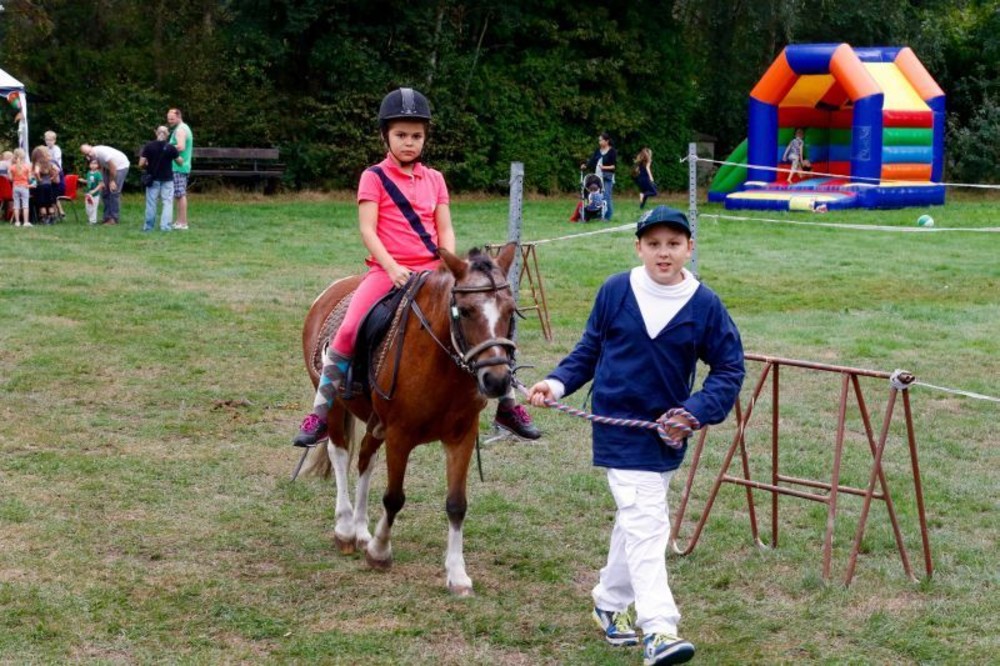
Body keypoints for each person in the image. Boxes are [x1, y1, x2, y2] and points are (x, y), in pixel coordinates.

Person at [527, 205, 745, 666]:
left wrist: (693, 413)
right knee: (648, 521)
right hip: (617, 426)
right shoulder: (615, 290)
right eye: (653, 244)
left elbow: (729, 369)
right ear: (638, 247)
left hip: (667, 434)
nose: (663, 253)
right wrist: (556, 383)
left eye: (673, 244)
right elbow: (589, 350)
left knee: (637, 518)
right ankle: (660, 630)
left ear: (689, 247)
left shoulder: (705, 304)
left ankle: (609, 602)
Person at [293, 87, 539, 448]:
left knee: (487, 318)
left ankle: (507, 404)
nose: (409, 142)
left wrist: (448, 262)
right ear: (385, 136)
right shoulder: (373, 177)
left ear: (425, 138)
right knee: (347, 330)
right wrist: (391, 267)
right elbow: (368, 229)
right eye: (401, 135)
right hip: (387, 271)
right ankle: (321, 410)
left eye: (416, 136)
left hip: (433, 270)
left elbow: (445, 227)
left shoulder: (435, 179)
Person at [138, 125, 180, 232]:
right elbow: (180, 162)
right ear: (167, 134)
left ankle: (148, 227)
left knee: (151, 202)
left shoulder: (149, 146)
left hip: (153, 178)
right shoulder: (171, 147)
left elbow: (141, 164)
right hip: (167, 178)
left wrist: (147, 164)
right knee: (167, 202)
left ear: (156, 133)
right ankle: (165, 227)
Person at [80, 144, 129, 225]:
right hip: (108, 167)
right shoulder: (92, 156)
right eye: (86, 154)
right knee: (105, 191)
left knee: (114, 191)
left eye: (89, 152)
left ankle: (113, 219)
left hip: (120, 166)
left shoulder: (102, 154)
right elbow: (100, 167)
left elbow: (113, 168)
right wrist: (101, 180)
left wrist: (112, 181)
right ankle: (106, 217)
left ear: (91, 147)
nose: (89, 155)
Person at [167, 108, 193, 230]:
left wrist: (166, 147)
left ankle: (183, 223)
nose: (170, 121)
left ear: (178, 117)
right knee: (178, 195)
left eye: (172, 119)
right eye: (168, 119)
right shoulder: (183, 128)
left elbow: (181, 147)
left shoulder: (180, 130)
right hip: (181, 166)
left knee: (180, 194)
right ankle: (179, 221)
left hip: (179, 167)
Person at [582, 132, 617, 220]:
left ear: (606, 141)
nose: (599, 142)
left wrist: (603, 167)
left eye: (601, 140)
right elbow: (592, 160)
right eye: (599, 140)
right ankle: (598, 214)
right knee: (597, 196)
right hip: (598, 177)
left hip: (608, 177)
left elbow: (613, 166)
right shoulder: (598, 151)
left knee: (606, 196)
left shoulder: (612, 151)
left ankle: (608, 216)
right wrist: (585, 166)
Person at [31, 145, 60, 225]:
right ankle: (52, 218)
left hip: (40, 186)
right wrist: (53, 177)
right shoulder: (49, 163)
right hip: (49, 186)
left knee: (42, 204)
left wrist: (39, 179)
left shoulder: (38, 164)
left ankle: (44, 218)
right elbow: (58, 170)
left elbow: (36, 172)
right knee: (49, 203)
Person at [44, 131, 66, 219]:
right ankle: (58, 212)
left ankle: (58, 212)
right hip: (49, 172)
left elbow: (55, 161)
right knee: (50, 193)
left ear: (54, 140)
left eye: (50, 140)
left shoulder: (56, 149)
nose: (48, 142)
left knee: (54, 194)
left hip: (57, 173)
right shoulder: (45, 149)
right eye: (47, 140)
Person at [9, 148, 32, 227]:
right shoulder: (27, 166)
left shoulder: (12, 167)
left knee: (16, 205)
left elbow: (11, 179)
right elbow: (30, 179)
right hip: (25, 187)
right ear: (24, 157)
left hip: (15, 187)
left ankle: (17, 222)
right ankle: (25, 222)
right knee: (25, 205)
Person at [83, 158, 104, 226]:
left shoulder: (98, 174)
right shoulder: (88, 173)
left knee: (93, 207)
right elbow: (89, 181)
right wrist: (83, 181)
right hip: (88, 194)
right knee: (88, 208)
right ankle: (90, 219)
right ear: (89, 165)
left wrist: (94, 190)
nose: (93, 165)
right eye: (92, 163)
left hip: (95, 194)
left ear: (98, 165)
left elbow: (101, 184)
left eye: (95, 164)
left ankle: (93, 221)